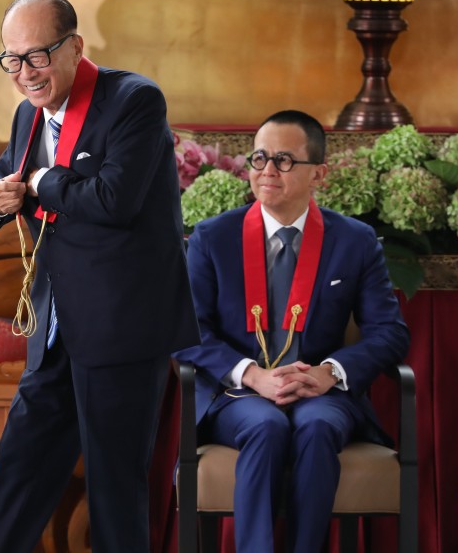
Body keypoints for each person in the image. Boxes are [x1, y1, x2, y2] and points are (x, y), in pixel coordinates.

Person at [0, 0, 199, 553]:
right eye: (12, 60)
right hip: (54, 327)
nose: (25, 73)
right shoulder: (29, 113)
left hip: (122, 326)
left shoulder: (133, 100)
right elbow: (3, 182)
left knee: (115, 489)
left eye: (38, 56)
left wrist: (44, 183)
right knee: (16, 476)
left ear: (74, 48)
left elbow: (116, 199)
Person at [173, 110, 410, 553]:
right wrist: (252, 375)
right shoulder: (213, 237)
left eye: (283, 160)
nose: (266, 171)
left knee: (318, 428)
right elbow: (188, 332)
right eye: (259, 158)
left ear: (318, 172)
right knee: (265, 428)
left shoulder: (354, 241)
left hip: (321, 391)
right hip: (240, 393)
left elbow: (390, 332)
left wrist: (331, 372)